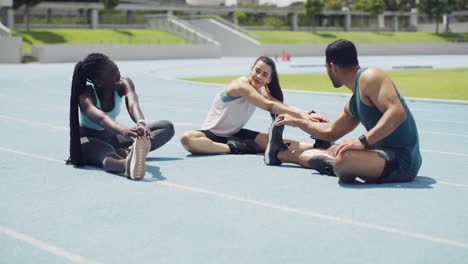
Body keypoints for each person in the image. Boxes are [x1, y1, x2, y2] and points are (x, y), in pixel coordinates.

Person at [264, 39, 422, 184]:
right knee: (335, 149)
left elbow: (397, 113)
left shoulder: (371, 76)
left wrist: (362, 142)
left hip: (402, 161)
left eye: (326, 67)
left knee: (343, 159)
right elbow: (331, 132)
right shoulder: (354, 101)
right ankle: (279, 154)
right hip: (379, 154)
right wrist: (298, 122)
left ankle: (336, 166)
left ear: (332, 66)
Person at [180, 56, 330, 155]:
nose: (259, 76)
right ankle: (234, 148)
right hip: (213, 134)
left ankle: (317, 147)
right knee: (187, 139)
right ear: (251, 69)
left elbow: (278, 105)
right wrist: (233, 147)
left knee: (273, 142)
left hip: (237, 134)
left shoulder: (260, 91)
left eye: (264, 74)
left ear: (269, 80)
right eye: (257, 71)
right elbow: (269, 106)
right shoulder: (240, 85)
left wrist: (308, 114)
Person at [66, 53, 175, 180]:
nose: (118, 75)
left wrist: (141, 124)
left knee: (166, 127)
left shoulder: (124, 83)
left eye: (117, 69)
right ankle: (126, 165)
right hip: (89, 141)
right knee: (106, 152)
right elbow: (101, 118)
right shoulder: (86, 94)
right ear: (99, 82)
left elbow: (133, 103)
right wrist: (124, 130)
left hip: (113, 137)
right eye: (112, 73)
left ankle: (129, 152)